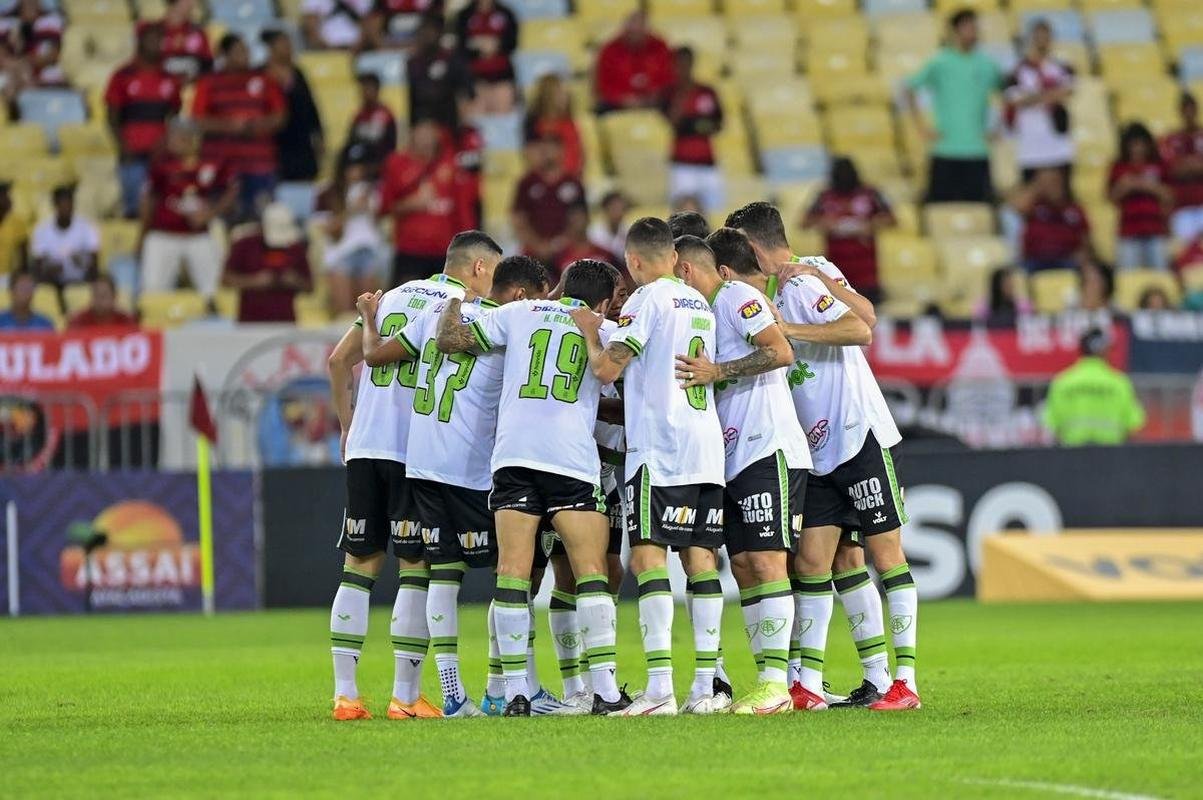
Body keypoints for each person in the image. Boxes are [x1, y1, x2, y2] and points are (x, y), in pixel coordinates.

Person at [725, 201, 920, 711]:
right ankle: (809, 684)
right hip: (816, 448)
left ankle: (906, 682)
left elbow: (862, 328)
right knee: (815, 561)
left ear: (750, 244)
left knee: (884, 555)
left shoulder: (799, 282)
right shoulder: (784, 285)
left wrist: (792, 329)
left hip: (856, 431)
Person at [358, 254, 554, 716]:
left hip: (422, 462)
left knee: (443, 574)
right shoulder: (507, 329)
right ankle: (503, 687)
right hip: (470, 467)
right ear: (522, 295)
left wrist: (369, 317)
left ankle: (451, 692)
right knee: (511, 574)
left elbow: (374, 355)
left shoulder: (435, 313)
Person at [435, 258, 626, 717]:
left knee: (512, 573)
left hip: (514, 458)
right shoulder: (605, 328)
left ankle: (515, 691)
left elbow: (450, 340)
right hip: (571, 461)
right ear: (602, 301)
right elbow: (612, 379)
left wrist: (454, 301)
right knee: (590, 572)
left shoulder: (520, 313)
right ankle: (604, 691)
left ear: (561, 286)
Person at [324, 230, 502, 722]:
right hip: (417, 453)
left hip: (365, 447)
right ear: (480, 269)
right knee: (415, 569)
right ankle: (405, 697)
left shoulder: (395, 296)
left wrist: (347, 426)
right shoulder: (461, 307)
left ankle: (346, 696)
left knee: (357, 568)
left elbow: (339, 361)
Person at [568, 218, 726, 716]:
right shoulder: (698, 301)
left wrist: (592, 335)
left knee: (648, 558)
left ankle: (659, 687)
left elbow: (608, 367)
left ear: (634, 261)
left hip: (660, 448)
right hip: (705, 447)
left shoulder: (646, 299)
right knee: (701, 560)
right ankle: (706, 687)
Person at [671, 232, 808, 715]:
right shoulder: (698, 314)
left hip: (766, 446)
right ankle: (769, 680)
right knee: (746, 566)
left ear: (685, 269)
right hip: (729, 457)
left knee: (769, 562)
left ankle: (778, 685)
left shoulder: (736, 297)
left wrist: (719, 370)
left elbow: (780, 351)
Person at [905, 9, 1002, 203]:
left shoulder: (987, 65)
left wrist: (997, 127)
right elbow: (909, 88)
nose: (973, 32)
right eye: (967, 27)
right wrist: (922, 127)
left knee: (978, 209)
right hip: (945, 149)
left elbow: (1007, 95)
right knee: (942, 209)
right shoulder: (940, 62)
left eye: (975, 27)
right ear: (954, 31)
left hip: (977, 150)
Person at [140, 119, 238, 300]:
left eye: (175, 137)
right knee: (153, 290)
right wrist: (143, 233)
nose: (170, 141)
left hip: (198, 234)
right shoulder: (161, 162)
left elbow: (232, 189)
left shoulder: (213, 160)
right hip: (164, 234)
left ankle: (215, 322)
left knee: (214, 289)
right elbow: (149, 197)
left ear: (191, 139)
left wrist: (210, 213)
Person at [191, 34, 286, 220]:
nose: (246, 55)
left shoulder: (265, 80)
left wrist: (253, 126)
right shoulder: (209, 83)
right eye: (239, 51)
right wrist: (230, 127)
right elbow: (198, 121)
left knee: (261, 219)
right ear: (224, 55)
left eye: (246, 50)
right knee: (222, 219)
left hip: (260, 165)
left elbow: (280, 117)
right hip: (221, 166)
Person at [105, 23, 182, 218]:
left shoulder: (169, 78)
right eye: (152, 38)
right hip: (133, 158)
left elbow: (174, 115)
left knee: (162, 210)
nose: (157, 43)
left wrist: (166, 143)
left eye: (160, 38)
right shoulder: (122, 75)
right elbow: (113, 117)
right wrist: (124, 147)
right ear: (140, 41)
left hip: (161, 156)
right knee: (134, 211)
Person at [380, 119, 467, 285]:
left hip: (445, 252)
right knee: (404, 303)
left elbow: (461, 209)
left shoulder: (450, 164)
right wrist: (411, 204)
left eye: (430, 133)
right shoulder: (396, 164)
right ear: (412, 134)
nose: (426, 139)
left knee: (442, 307)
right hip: (410, 250)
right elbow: (384, 208)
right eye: (422, 132)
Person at [801, 156, 896, 302]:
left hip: (866, 269)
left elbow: (891, 219)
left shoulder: (870, 193)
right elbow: (805, 222)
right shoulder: (825, 196)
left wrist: (869, 225)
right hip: (835, 269)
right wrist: (825, 223)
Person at [315, 144, 386, 315]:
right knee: (344, 313)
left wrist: (369, 206)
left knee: (369, 314)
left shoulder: (374, 190)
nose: (357, 172)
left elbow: (381, 223)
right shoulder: (327, 191)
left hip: (369, 251)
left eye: (361, 167)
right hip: (341, 254)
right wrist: (351, 210)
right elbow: (328, 229)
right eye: (352, 166)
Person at [1044, 327, 1145, 446]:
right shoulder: (1119, 383)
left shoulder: (1062, 382)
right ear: (1104, 350)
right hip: (1110, 455)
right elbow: (1132, 424)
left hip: (1072, 455)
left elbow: (1052, 424)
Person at [1004, 19, 1075, 183]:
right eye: (1038, 37)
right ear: (1030, 39)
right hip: (1031, 146)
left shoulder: (1062, 67)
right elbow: (1014, 99)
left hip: (1059, 144)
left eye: (1046, 37)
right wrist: (1050, 94)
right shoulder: (1017, 70)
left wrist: (1033, 97)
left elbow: (1068, 92)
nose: (1042, 41)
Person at [221, 203, 312, 323]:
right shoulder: (244, 245)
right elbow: (226, 279)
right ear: (262, 227)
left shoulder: (295, 248)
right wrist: (254, 282)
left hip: (285, 322)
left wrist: (295, 280)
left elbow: (310, 286)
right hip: (250, 323)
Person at [511, 132, 588, 270]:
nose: (547, 154)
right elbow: (519, 219)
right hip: (533, 251)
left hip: (566, 251)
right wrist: (537, 245)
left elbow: (579, 220)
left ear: (562, 151)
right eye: (544, 150)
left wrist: (557, 244)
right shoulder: (527, 182)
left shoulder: (573, 183)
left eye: (552, 149)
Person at [1108, 122, 1174, 271]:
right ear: (1126, 146)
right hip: (1128, 231)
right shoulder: (1119, 167)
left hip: (1155, 229)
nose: (1138, 149)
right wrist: (1124, 186)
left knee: (1161, 275)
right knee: (1128, 277)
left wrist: (1150, 187)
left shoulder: (1158, 165)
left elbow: (1170, 196)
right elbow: (1111, 198)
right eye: (1134, 145)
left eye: (1141, 144)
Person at [667, 47, 723, 213]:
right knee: (682, 215)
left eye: (687, 63)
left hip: (707, 161)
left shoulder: (707, 92)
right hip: (682, 163)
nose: (683, 68)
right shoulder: (671, 93)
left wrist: (693, 124)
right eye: (679, 64)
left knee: (714, 212)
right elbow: (674, 122)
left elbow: (718, 123)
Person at [263, 30, 323, 183]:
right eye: (283, 44)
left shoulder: (298, 73)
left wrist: (318, 134)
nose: (288, 48)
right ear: (271, 48)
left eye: (289, 44)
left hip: (300, 143)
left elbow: (310, 107)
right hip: (273, 143)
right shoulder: (261, 74)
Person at [1009, 167, 1090, 272]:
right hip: (1034, 260)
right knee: (1016, 274)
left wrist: (1083, 255)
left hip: (1066, 260)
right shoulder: (1035, 206)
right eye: (1049, 184)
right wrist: (1038, 185)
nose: (1053, 187)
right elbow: (1015, 208)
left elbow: (1085, 240)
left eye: (1056, 183)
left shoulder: (1073, 209)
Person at [594, 11, 676, 113]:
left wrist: (655, 95)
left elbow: (669, 77)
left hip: (656, 102)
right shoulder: (610, 50)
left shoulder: (660, 47)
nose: (635, 37)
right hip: (618, 105)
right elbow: (603, 86)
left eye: (640, 32)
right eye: (632, 32)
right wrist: (623, 100)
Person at [407, 12, 474, 130]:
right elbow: (413, 96)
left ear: (439, 33)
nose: (427, 35)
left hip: (448, 121)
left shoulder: (452, 59)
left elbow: (466, 91)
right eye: (424, 30)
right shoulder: (413, 63)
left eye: (431, 30)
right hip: (422, 122)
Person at [454, 0, 518, 114]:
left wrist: (496, 45)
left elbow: (512, 43)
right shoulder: (464, 15)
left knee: (503, 101)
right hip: (473, 79)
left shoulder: (506, 13)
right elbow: (460, 47)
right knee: (474, 108)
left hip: (501, 77)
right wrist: (477, 46)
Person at [30, 186, 99, 290]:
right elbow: (38, 266)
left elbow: (94, 264)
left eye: (69, 205)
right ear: (55, 206)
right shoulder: (42, 229)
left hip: (80, 281)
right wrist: (50, 269)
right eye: (62, 205)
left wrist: (82, 263)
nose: (66, 209)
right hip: (52, 282)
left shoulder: (87, 227)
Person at [1161, 93, 1203, 243]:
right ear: (1180, 111)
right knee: (1187, 252)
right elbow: (1171, 170)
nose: (1189, 114)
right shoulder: (1170, 140)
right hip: (1182, 206)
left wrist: (1186, 165)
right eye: (1186, 110)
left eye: (1192, 109)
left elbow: (1181, 168)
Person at [523, 73, 583, 176]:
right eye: (560, 92)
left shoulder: (569, 122)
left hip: (573, 177)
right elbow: (534, 156)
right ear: (548, 95)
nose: (565, 96)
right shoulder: (534, 124)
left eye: (565, 92)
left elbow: (578, 152)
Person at [345, 72, 398, 172]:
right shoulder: (359, 116)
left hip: (378, 167)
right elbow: (351, 143)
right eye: (362, 89)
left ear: (377, 90)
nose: (364, 93)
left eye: (368, 88)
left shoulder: (386, 115)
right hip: (358, 165)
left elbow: (390, 147)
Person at [153, 0, 213, 82]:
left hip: (191, 87)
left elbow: (208, 65)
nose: (192, 3)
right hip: (160, 86)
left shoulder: (197, 32)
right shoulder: (154, 31)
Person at [66, 275, 136, 328]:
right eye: (96, 295)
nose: (99, 300)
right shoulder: (79, 321)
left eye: (103, 296)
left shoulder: (125, 320)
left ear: (114, 297)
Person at [301, 0, 375, 50]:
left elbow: (371, 25)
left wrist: (358, 47)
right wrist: (327, 48)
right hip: (326, 51)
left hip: (359, 51)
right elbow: (311, 29)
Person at [0, 182, 29, 282]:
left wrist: (18, 275)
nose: (8, 199)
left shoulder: (17, 222)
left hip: (8, 277)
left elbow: (23, 255)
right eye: (4, 196)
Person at [588, 190, 630, 256]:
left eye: (622, 209)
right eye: (615, 208)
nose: (619, 213)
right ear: (605, 209)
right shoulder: (593, 234)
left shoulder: (627, 231)